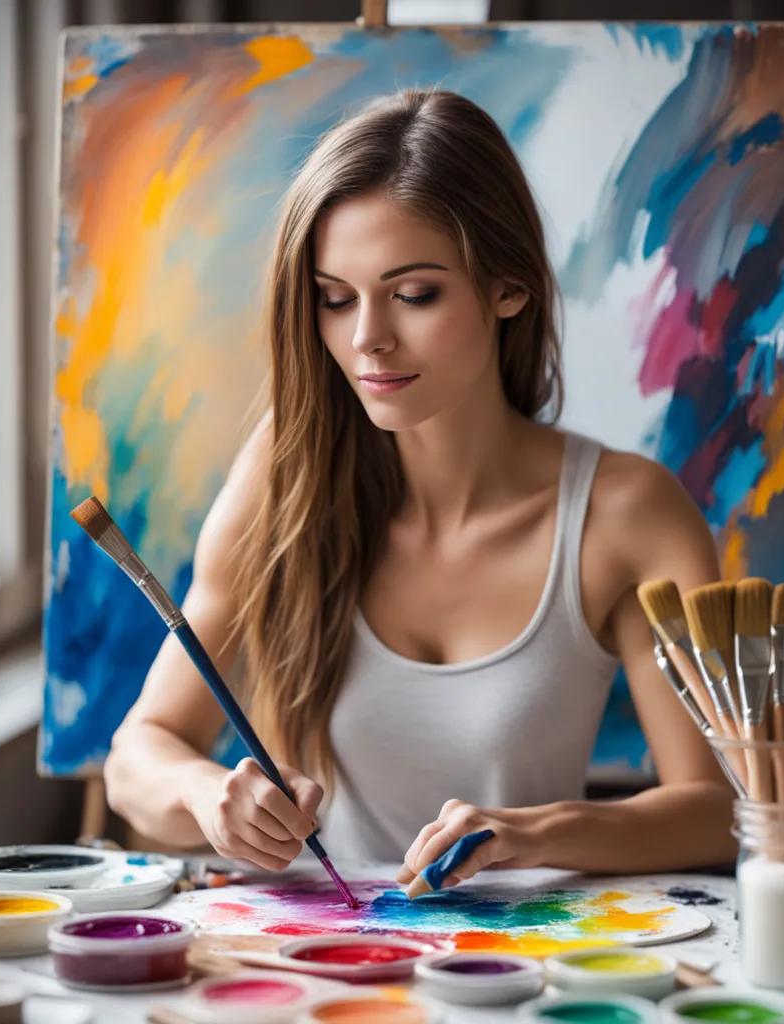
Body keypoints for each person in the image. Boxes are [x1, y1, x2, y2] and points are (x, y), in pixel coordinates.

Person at [104, 89, 736, 888]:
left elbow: (717, 809)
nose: (367, 336)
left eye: (414, 294)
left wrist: (527, 833)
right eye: (335, 299)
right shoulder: (281, 476)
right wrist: (208, 797)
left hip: (518, 977)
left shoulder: (627, 514)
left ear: (509, 288)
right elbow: (137, 760)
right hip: (317, 970)